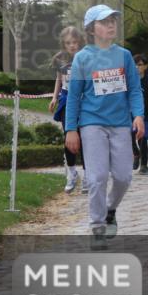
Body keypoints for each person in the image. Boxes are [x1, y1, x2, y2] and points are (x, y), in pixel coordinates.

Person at [64, 5, 145, 250]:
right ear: (91, 29)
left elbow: (134, 89)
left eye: (113, 20)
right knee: (97, 177)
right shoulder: (82, 58)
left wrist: (138, 115)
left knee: (123, 177)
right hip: (91, 124)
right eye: (104, 21)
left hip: (120, 124)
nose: (111, 25)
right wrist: (71, 129)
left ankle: (110, 209)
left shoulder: (124, 56)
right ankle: (97, 227)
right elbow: (74, 96)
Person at [50, 26, 86, 193]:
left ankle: (88, 175)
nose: (72, 46)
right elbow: (59, 80)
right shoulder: (60, 60)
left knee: (85, 139)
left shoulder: (86, 57)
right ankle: (71, 173)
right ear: (64, 45)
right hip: (66, 100)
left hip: (84, 101)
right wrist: (54, 97)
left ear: (80, 42)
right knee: (69, 137)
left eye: (75, 42)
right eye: (68, 43)